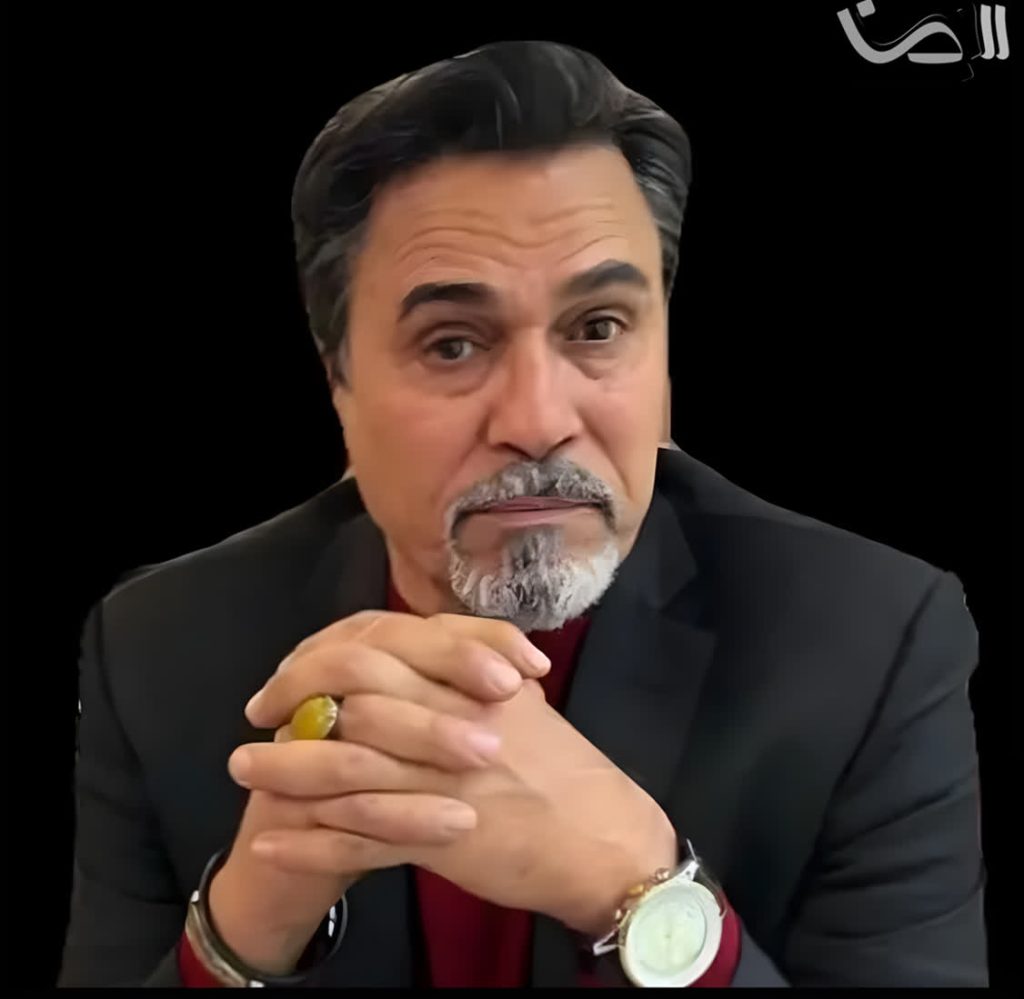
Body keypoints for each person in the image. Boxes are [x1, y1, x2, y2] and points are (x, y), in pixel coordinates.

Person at [58, 40, 987, 988]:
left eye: (598, 328)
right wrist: (242, 929)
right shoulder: (156, 649)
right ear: (338, 376)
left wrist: (641, 890)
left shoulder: (873, 643)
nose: (539, 420)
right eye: (453, 343)